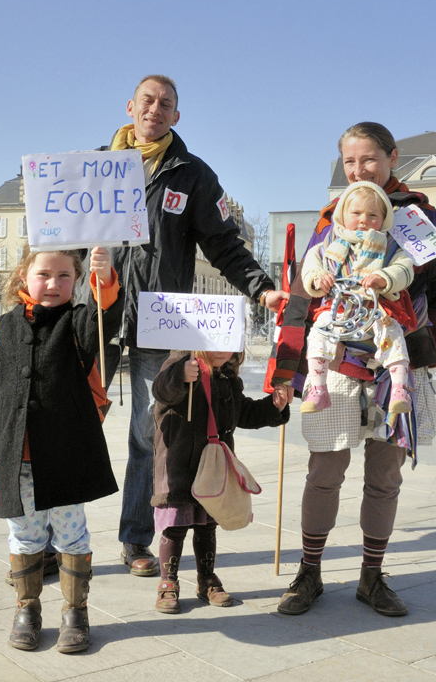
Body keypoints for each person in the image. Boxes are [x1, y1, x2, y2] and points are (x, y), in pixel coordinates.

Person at [273, 122, 436, 618]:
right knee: (324, 472)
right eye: (350, 162)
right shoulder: (333, 218)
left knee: (384, 478)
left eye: (369, 159)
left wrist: (417, 346)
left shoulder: (421, 217)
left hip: (393, 362)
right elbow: (301, 294)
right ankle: (309, 571)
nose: (359, 169)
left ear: (392, 157)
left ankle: (371, 577)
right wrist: (288, 372)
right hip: (336, 365)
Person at [104, 74, 287, 577]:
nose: (155, 109)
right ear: (130, 106)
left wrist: (262, 287)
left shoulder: (192, 174)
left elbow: (224, 243)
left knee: (149, 432)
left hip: (156, 321)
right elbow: (63, 239)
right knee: (64, 425)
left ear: (176, 116)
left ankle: (137, 539)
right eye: (147, 100)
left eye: (166, 104)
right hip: (92, 314)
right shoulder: (96, 167)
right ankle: (50, 542)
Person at [0, 245, 124, 653]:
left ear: (77, 281)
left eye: (65, 276)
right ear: (23, 277)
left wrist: (105, 283)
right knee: (25, 536)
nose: (54, 284)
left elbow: (105, 323)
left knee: (71, 535)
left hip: (67, 455)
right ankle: (27, 609)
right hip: (20, 460)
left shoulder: (79, 322)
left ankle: (75, 612)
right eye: (44, 274)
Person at [151, 349, 290, 613]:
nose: (223, 353)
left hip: (214, 468)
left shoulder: (228, 377)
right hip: (179, 463)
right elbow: (162, 392)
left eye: (229, 346)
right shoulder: (181, 361)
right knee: (176, 525)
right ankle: (168, 582)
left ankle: (207, 579)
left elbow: (243, 413)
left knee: (207, 524)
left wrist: (273, 406)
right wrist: (179, 376)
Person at [301, 180, 415, 415]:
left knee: (392, 331)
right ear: (343, 215)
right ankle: (319, 389)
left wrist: (384, 277)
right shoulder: (326, 245)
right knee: (318, 332)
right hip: (339, 308)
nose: (364, 219)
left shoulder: (390, 246)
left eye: (373, 215)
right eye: (356, 213)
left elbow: (405, 270)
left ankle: (399, 389)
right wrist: (318, 277)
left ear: (384, 220)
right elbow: (310, 268)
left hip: (377, 307)